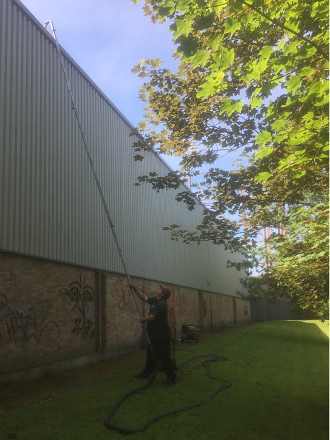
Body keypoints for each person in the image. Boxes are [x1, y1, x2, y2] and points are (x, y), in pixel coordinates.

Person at [130, 284, 176, 384]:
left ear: (162, 294)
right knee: (150, 354)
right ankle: (146, 373)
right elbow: (144, 297)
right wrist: (135, 289)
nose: (158, 289)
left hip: (162, 336)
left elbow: (153, 317)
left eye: (160, 289)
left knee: (165, 357)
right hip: (154, 335)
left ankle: (171, 377)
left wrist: (143, 320)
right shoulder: (155, 300)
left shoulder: (162, 304)